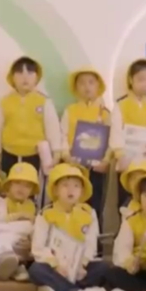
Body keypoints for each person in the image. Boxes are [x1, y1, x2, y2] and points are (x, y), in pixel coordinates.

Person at [28, 163, 109, 291]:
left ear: (82, 191)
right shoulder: (46, 214)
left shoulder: (89, 213)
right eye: (65, 185)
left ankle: (57, 289)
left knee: (103, 267)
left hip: (79, 269)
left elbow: (91, 246)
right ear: (56, 189)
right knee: (36, 269)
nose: (71, 190)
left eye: (76, 186)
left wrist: (82, 264)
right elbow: (38, 247)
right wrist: (56, 265)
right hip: (56, 267)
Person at [0, 56, 61, 176]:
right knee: (9, 184)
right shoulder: (4, 102)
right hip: (8, 154)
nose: (25, 77)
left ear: (37, 77)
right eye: (19, 72)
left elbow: (53, 128)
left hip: (35, 155)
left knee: (33, 185)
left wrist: (56, 151)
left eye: (30, 72)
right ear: (12, 78)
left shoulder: (44, 101)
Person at [60, 67, 112, 226]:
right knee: (71, 203)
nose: (87, 87)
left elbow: (112, 140)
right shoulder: (70, 111)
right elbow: (62, 135)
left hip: (96, 169)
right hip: (73, 167)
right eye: (82, 83)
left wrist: (106, 161)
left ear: (98, 86)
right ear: (75, 88)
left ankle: (94, 239)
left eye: (91, 82)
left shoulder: (106, 113)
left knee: (95, 206)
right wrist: (66, 156)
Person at [110, 59, 146, 204]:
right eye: (140, 79)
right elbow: (116, 131)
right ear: (130, 80)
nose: (144, 84)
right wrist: (120, 154)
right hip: (126, 162)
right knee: (125, 201)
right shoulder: (121, 104)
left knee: (145, 197)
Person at [0, 162, 39, 281]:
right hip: (5, 244)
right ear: (9, 185)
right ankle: (10, 266)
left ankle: (20, 267)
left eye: (27, 186)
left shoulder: (32, 206)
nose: (21, 188)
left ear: (32, 190)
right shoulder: (1, 202)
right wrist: (18, 216)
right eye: (17, 183)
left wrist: (31, 243)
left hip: (24, 245)